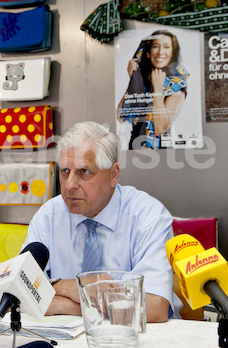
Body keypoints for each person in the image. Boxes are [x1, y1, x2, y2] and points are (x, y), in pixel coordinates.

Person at [22, 121, 181, 322]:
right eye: (65, 171)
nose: (70, 185)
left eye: (84, 172)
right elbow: (21, 287)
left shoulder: (148, 217)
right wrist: (75, 286)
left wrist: (69, 303)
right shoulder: (48, 216)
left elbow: (154, 306)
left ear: (113, 174)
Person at [117, 30, 188, 149]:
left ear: (172, 53)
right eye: (156, 46)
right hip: (134, 148)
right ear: (148, 52)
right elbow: (120, 116)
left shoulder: (177, 85)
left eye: (166, 47)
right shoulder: (143, 80)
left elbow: (160, 128)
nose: (161, 52)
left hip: (161, 153)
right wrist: (133, 81)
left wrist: (158, 90)